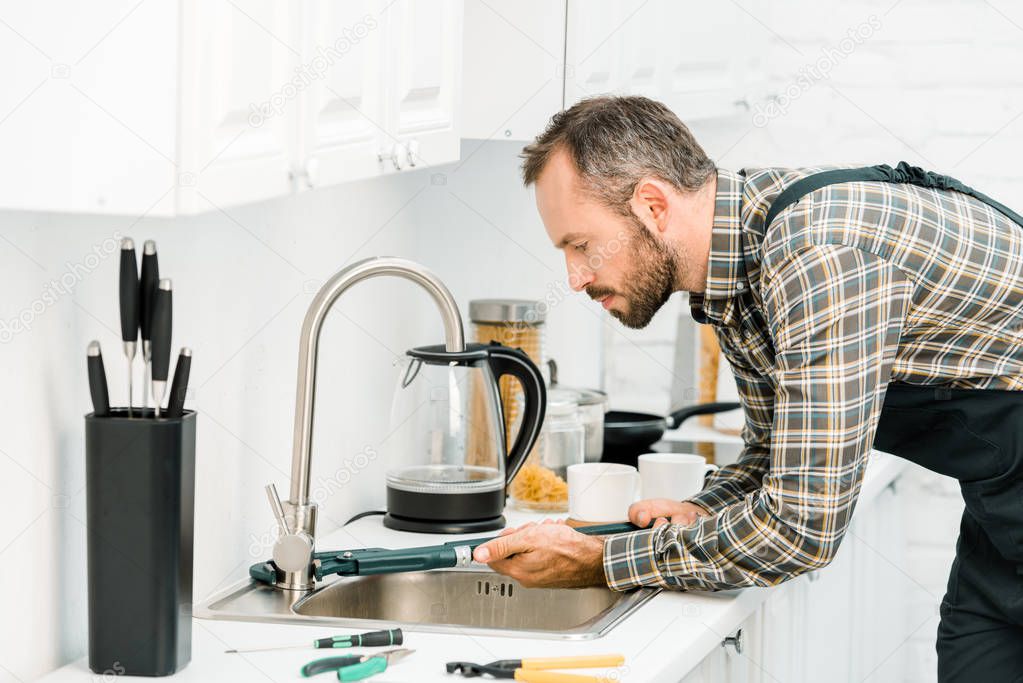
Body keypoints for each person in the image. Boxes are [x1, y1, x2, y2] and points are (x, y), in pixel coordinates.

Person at [471, 95, 1023, 680]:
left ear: (653, 205)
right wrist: (696, 510)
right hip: (1001, 516)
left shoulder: (818, 255)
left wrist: (605, 560)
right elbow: (772, 451)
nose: (575, 277)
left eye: (580, 245)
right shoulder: (735, 263)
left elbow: (802, 528)